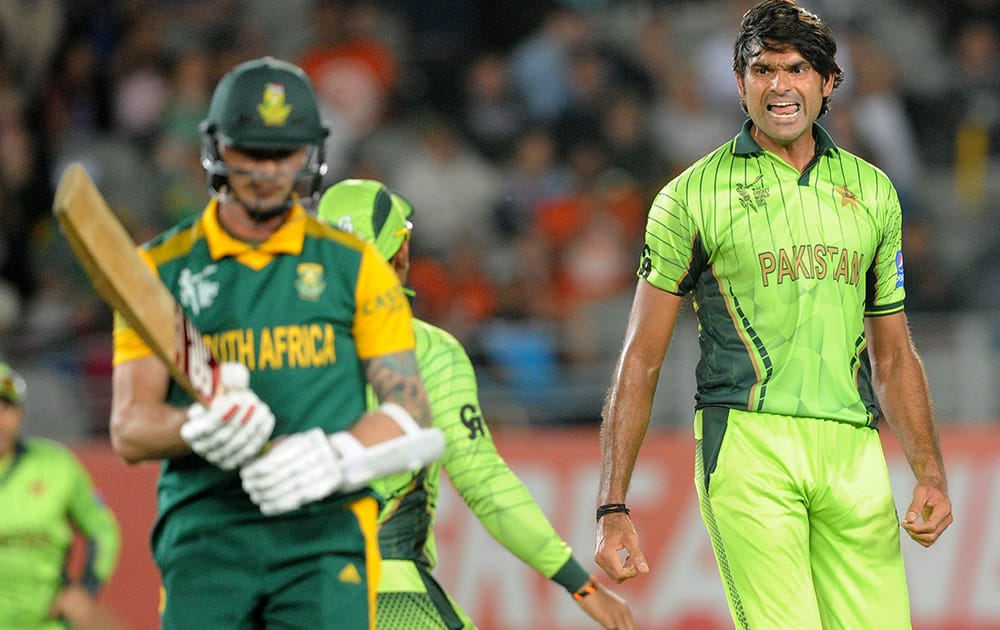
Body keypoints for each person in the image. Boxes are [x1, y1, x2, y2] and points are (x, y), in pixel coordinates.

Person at [593, 2, 953, 628]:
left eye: (797, 69)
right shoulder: (689, 197)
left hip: (854, 451)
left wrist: (929, 471)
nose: (779, 86)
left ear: (829, 83)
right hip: (747, 445)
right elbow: (641, 356)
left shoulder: (874, 192)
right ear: (739, 83)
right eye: (762, 70)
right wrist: (612, 505)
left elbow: (893, 353)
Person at [108, 57, 442, 629]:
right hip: (207, 533)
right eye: (251, 153)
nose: (268, 171)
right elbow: (129, 427)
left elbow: (409, 414)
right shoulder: (158, 269)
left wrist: (335, 457)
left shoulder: (354, 265)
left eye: (284, 154)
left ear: (311, 152)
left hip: (324, 536)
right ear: (217, 148)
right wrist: (196, 430)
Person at [318, 179, 636, 630]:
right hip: (387, 595)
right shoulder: (428, 352)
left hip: (280, 593)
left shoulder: (273, 348)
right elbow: (486, 485)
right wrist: (580, 585)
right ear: (401, 253)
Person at [0, 361, 122, 629]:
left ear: (20, 414)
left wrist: (86, 588)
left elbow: (103, 531)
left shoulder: (56, 465)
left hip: (47, 623)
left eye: (6, 407)